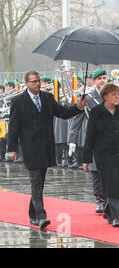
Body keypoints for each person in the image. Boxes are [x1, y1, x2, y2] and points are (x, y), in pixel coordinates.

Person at [7, 70, 86, 229]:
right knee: (36, 180)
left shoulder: (48, 98)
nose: (37, 84)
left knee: (39, 182)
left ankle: (32, 214)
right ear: (26, 83)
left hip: (46, 146)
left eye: (38, 81)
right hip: (30, 148)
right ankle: (41, 216)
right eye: (33, 81)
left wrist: (78, 107)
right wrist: (12, 149)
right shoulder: (18, 101)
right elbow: (14, 127)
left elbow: (62, 113)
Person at [83, 83, 119, 227]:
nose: (117, 97)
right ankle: (116, 216)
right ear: (105, 96)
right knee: (112, 182)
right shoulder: (96, 112)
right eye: (113, 94)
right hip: (103, 154)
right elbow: (90, 137)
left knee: (118, 183)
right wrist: (86, 159)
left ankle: (109, 210)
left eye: (118, 94)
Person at [68, 68, 108, 213]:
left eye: (104, 78)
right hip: (94, 139)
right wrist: (72, 139)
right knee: (96, 171)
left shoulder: (114, 95)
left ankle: (109, 198)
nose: (102, 81)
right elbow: (77, 119)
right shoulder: (88, 98)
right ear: (93, 81)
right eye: (99, 78)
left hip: (111, 139)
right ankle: (100, 199)